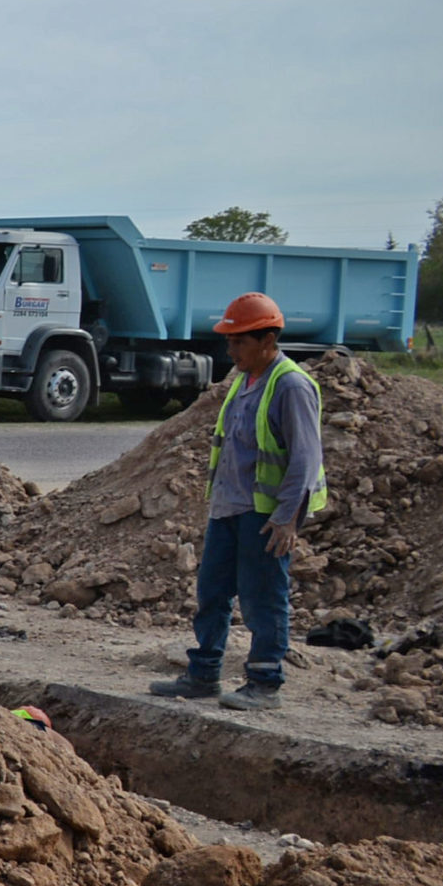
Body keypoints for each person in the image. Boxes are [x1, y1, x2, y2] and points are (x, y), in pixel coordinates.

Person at [147, 293, 326, 713]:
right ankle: (204, 673)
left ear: (267, 339)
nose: (231, 351)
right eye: (229, 342)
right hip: (228, 508)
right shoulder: (244, 382)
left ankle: (265, 682)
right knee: (212, 591)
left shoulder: (291, 385)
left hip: (264, 515)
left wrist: (287, 519)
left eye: (239, 342)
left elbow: (305, 457)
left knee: (263, 596)